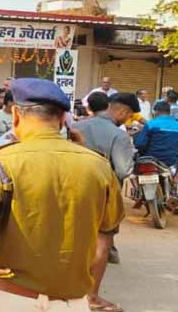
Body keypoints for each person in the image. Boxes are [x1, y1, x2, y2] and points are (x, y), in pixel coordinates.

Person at [0, 78, 124, 312]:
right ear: (63, 119)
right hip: (71, 302)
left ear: (16, 116)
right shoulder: (99, 165)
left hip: (7, 297)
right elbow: (109, 224)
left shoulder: (0, 161)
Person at [73, 92, 138, 312]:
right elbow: (123, 169)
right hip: (102, 195)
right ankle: (91, 296)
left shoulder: (77, 126)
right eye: (129, 115)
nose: (127, 120)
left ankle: (62, 289)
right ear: (123, 111)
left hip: (68, 191)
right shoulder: (119, 136)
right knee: (102, 243)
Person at [134, 101, 178, 172]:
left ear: (156, 112)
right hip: (170, 163)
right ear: (169, 113)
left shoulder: (151, 124)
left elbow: (139, 144)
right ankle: (177, 176)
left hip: (149, 161)